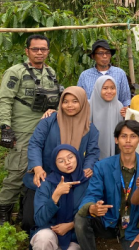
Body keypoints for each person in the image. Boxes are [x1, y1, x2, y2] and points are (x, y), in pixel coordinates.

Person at [75, 120, 139, 250]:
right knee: (81, 217)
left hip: (134, 225)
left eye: (133, 136)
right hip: (109, 221)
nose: (128, 141)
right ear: (116, 140)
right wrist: (92, 207)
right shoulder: (102, 166)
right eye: (123, 136)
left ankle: (128, 244)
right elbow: (91, 194)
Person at [0, 34, 62, 225]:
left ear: (48, 51)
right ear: (27, 51)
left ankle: (27, 209)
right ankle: (3, 211)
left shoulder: (50, 73)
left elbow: (56, 99)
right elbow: (5, 100)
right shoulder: (15, 72)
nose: (39, 52)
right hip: (22, 129)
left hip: (46, 130)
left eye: (43, 49)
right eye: (35, 49)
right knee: (18, 171)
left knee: (41, 170)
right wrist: (5, 127)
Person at [24, 87, 100, 233]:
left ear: (83, 103)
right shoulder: (50, 121)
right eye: (65, 101)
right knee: (30, 220)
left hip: (73, 180)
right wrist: (37, 168)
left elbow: (93, 151)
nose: (69, 105)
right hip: (45, 177)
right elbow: (35, 143)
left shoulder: (90, 128)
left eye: (74, 101)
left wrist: (88, 166)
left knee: (72, 216)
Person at [31, 145, 89, 250]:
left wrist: (72, 225)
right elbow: (39, 219)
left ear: (77, 157)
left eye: (70, 157)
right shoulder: (46, 184)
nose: (67, 162)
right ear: (54, 164)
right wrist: (55, 195)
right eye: (61, 160)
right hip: (49, 232)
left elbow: (92, 215)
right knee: (43, 239)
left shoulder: (87, 182)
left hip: (72, 239)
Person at [77, 39, 131, 107]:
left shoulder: (120, 73)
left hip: (115, 115)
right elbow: (79, 99)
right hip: (91, 116)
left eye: (107, 53)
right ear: (93, 56)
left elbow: (126, 100)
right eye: (100, 53)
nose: (105, 56)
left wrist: (125, 111)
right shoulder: (85, 76)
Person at [89, 76, 123, 160]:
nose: (109, 91)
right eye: (105, 88)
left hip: (115, 151)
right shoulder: (88, 105)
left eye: (112, 88)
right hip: (91, 151)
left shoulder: (119, 106)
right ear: (98, 89)